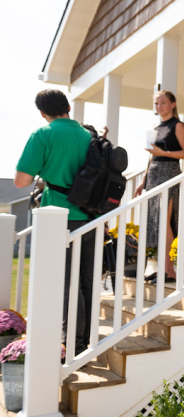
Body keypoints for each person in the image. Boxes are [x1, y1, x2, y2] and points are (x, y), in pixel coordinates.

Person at [14, 89, 96, 354]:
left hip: (58, 216)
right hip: (91, 216)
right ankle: (83, 341)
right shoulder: (89, 135)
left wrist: (44, 177)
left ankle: (70, 344)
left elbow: (20, 181)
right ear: (68, 107)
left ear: (42, 113)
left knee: (64, 283)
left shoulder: (43, 134)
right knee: (86, 282)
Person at [134, 90, 184, 282]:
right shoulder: (156, 126)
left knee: (165, 222)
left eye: (163, 103)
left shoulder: (178, 125)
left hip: (169, 173)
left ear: (173, 104)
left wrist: (163, 152)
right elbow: (152, 154)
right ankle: (162, 269)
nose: (159, 107)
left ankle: (169, 271)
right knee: (158, 223)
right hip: (154, 174)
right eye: (156, 103)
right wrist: (143, 180)